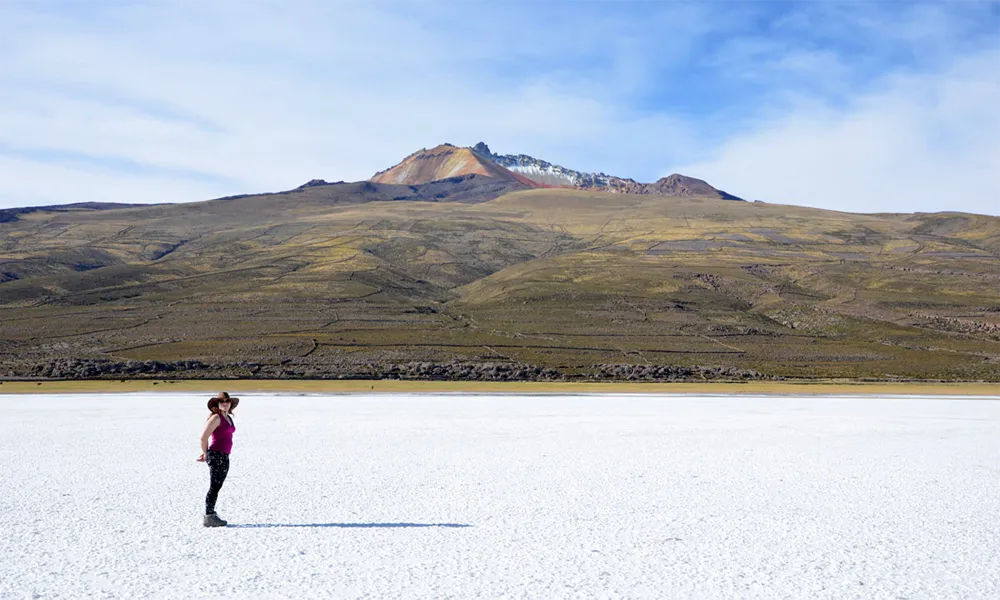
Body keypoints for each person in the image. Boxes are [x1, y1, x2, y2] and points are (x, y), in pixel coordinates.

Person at [197, 392, 238, 527]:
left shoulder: (228, 417)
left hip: (224, 455)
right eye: (222, 402)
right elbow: (203, 437)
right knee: (214, 486)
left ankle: (211, 514)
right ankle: (209, 516)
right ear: (217, 404)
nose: (225, 403)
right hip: (216, 455)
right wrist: (206, 454)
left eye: (227, 401)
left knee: (218, 485)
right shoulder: (216, 418)